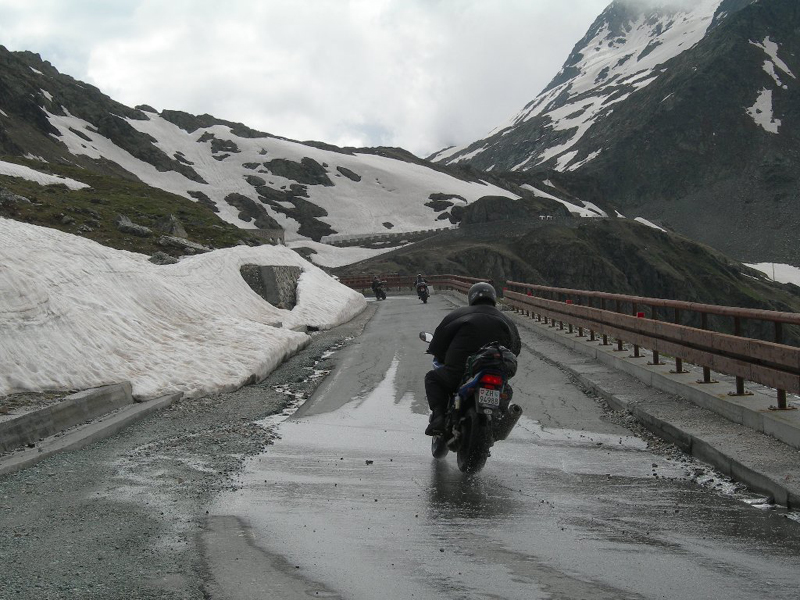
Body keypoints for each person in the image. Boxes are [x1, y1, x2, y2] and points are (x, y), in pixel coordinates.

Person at [424, 282, 521, 436]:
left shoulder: (458, 314)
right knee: (506, 389)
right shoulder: (507, 321)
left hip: (461, 372)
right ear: (494, 298)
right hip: (496, 371)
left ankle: (439, 418)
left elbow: (438, 344)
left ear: (471, 298)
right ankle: (498, 420)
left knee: (432, 378)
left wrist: (442, 355)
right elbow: (515, 349)